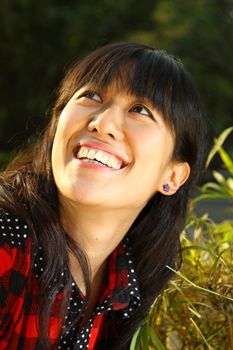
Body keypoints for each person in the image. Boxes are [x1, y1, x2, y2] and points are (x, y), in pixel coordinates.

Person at [0, 42, 206, 350]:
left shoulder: (129, 289)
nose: (102, 123)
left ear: (172, 176)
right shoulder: (7, 241)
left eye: (140, 110)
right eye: (91, 95)